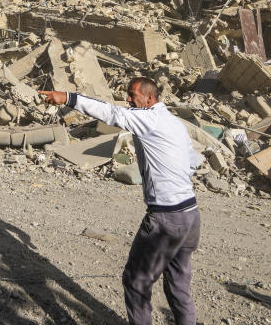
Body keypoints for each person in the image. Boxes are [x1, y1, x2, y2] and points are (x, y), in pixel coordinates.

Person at [39, 77, 201, 325]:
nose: (128, 99)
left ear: (149, 98)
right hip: (190, 214)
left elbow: (111, 113)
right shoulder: (174, 123)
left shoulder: (148, 118)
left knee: (136, 281)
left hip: (166, 218)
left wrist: (68, 98)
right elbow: (192, 160)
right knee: (179, 283)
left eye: (132, 94)